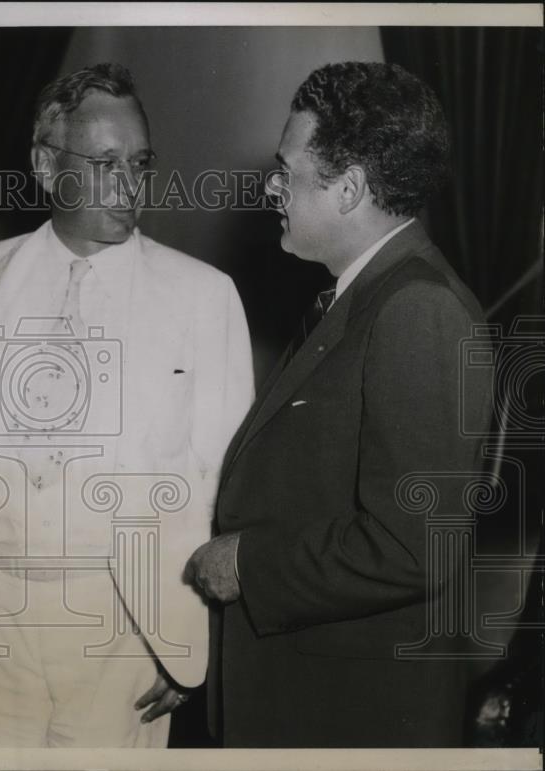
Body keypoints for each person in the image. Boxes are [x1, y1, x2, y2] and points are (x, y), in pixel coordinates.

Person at [0, 62, 254, 747]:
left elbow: (223, 482)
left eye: (141, 162)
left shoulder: (202, 296)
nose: (130, 184)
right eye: (105, 161)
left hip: (123, 619)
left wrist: (185, 636)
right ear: (43, 163)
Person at [185, 61, 495, 747]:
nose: (271, 186)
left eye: (286, 167)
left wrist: (249, 563)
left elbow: (415, 545)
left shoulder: (418, 310)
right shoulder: (362, 299)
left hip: (350, 719)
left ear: (349, 187)